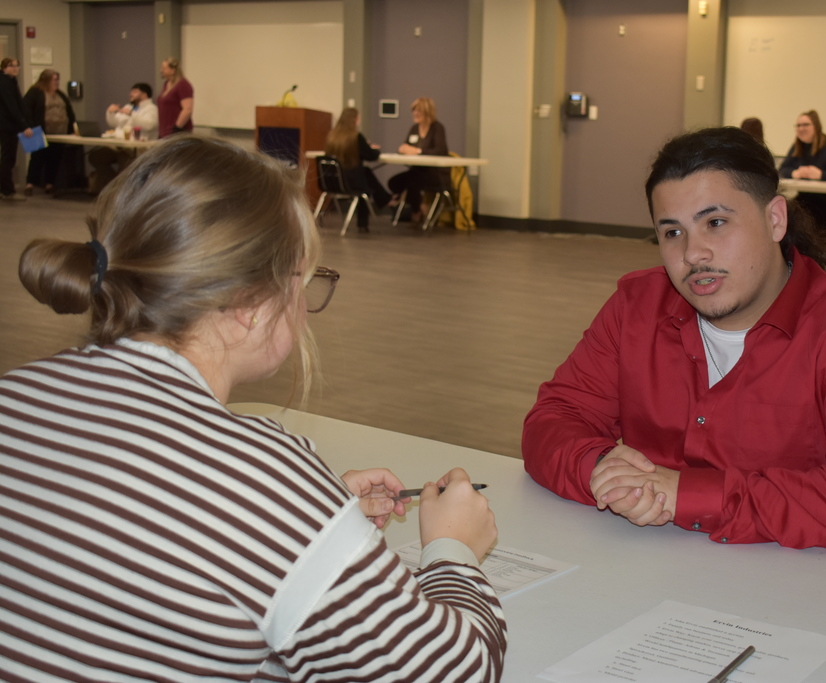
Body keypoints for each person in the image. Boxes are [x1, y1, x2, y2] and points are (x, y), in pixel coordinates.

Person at [1, 136, 506, 680]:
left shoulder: (15, 396)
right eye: (302, 280)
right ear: (249, 305)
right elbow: (453, 672)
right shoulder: (260, 479)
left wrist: (313, 524)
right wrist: (453, 548)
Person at [522, 126, 826, 551]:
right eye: (672, 232)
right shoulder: (635, 307)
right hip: (649, 563)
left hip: (796, 579)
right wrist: (602, 468)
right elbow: (552, 421)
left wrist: (685, 494)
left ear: (775, 220)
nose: (693, 254)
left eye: (715, 223)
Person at [778, 109, 826, 232]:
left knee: (808, 209)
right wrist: (794, 173)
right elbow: (782, 170)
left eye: (805, 125)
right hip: (809, 197)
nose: (801, 129)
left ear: (816, 126)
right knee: (789, 208)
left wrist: (821, 175)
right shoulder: (797, 147)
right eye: (798, 125)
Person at [324, 106, 391, 231]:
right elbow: (372, 155)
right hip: (351, 182)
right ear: (354, 120)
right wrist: (371, 148)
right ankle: (380, 204)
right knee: (365, 178)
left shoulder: (331, 137)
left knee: (366, 172)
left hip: (332, 181)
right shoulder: (355, 137)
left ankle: (385, 199)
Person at [88, 82, 158, 193]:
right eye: (131, 91)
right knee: (96, 156)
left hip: (137, 148)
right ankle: (113, 185)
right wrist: (110, 113)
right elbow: (114, 123)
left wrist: (131, 114)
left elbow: (149, 125)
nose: (131, 94)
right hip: (118, 144)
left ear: (144, 94)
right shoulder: (128, 107)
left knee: (124, 159)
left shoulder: (152, 109)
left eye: (135, 91)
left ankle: (119, 190)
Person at [388, 96, 449, 224]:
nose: (415, 113)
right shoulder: (414, 128)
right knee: (394, 182)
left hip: (435, 173)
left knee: (411, 182)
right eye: (414, 110)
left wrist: (418, 151)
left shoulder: (437, 128)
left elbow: (440, 151)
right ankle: (418, 207)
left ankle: (416, 210)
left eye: (418, 111)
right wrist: (403, 149)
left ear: (428, 112)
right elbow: (406, 147)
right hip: (417, 171)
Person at [23, 68, 76, 195]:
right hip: (38, 131)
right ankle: (30, 184)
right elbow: (26, 111)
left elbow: (69, 112)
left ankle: (49, 184)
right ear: (46, 80)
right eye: (54, 80)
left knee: (54, 158)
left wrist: (72, 128)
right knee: (37, 158)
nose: (57, 82)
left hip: (59, 132)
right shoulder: (34, 93)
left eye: (57, 80)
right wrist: (28, 126)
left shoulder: (60, 94)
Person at [0, 57, 33, 200]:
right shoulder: (4, 82)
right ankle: (7, 191)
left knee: (8, 158)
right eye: (11, 66)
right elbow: (11, 106)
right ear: (4, 68)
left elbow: (19, 105)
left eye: (17, 65)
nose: (15, 68)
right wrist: (23, 125)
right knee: (8, 158)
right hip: (7, 126)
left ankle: (5, 189)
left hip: (9, 125)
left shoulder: (11, 81)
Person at [156, 56, 193, 137]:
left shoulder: (183, 85)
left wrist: (177, 128)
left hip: (177, 133)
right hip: (165, 133)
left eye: (164, 68)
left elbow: (187, 109)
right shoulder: (166, 84)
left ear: (172, 70)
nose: (161, 71)